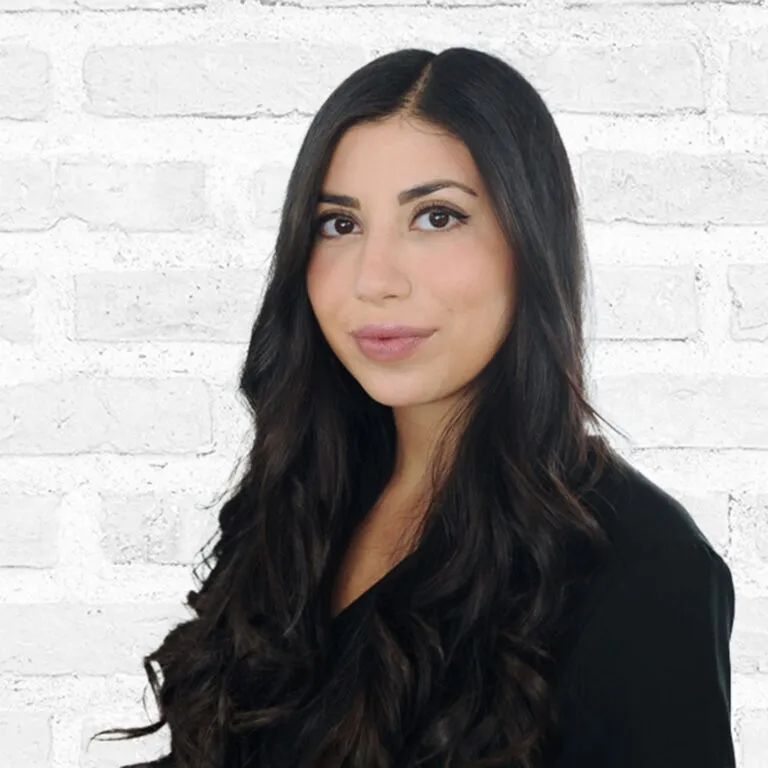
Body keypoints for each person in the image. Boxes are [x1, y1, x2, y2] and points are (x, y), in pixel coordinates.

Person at [90, 47, 736, 768]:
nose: (374, 279)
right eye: (340, 225)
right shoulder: (306, 495)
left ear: (530, 242)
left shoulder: (643, 572)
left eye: (436, 217)